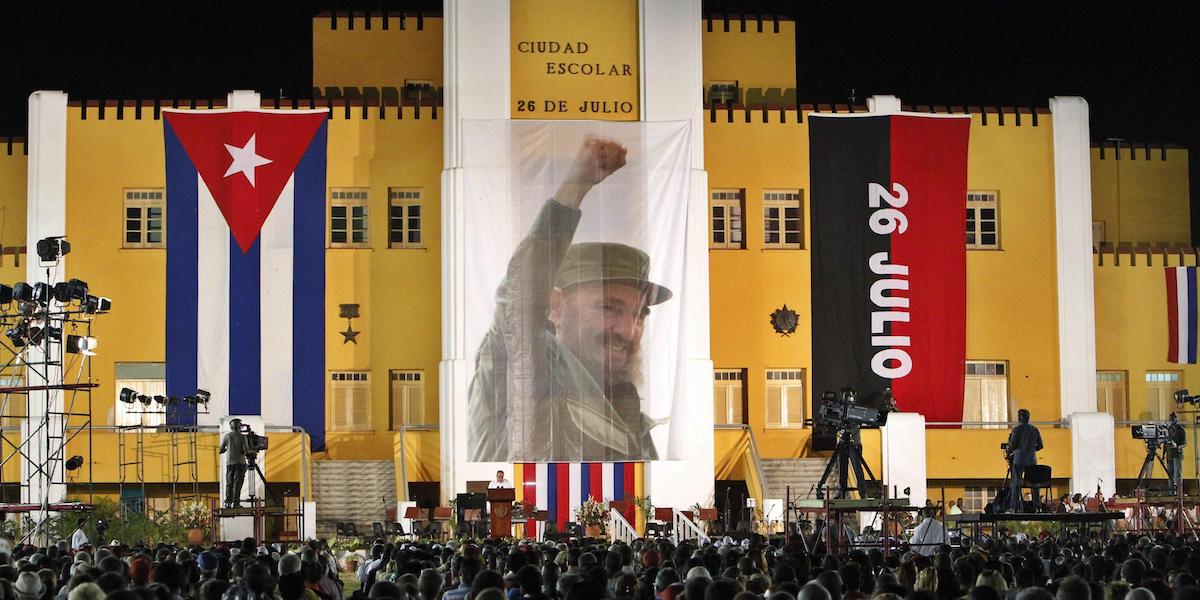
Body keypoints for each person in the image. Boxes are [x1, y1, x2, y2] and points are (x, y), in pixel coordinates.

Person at [467, 137, 672, 462]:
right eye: (608, 308)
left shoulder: (631, 415)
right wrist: (573, 190)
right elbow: (519, 302)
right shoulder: (525, 363)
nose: (627, 329)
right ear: (556, 306)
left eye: (639, 314)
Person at [1007, 408, 1043, 512]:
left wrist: (1009, 451)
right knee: (1034, 484)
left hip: (1018, 460)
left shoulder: (1017, 430)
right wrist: (1031, 449)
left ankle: (1014, 507)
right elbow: (1040, 446)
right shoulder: (1035, 430)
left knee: (1015, 483)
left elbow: (1013, 445)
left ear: (1020, 418)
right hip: (1031, 460)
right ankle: (1037, 506)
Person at [219, 418, 250, 508]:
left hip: (229, 463)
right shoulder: (242, 437)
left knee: (229, 482)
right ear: (239, 427)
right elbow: (246, 450)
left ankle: (228, 502)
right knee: (237, 483)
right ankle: (236, 503)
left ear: (231, 426)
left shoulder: (227, 436)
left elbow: (221, 449)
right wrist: (251, 451)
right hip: (240, 463)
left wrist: (227, 449)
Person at [1167, 412, 1187, 494]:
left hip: (1177, 454)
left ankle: (1178, 492)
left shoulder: (1181, 430)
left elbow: (1185, 443)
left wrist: (1177, 446)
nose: (1171, 420)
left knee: (1177, 474)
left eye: (1173, 418)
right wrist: (1163, 454)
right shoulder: (1169, 429)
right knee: (1170, 474)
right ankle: (1171, 492)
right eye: (1171, 418)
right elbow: (1166, 442)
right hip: (1169, 454)